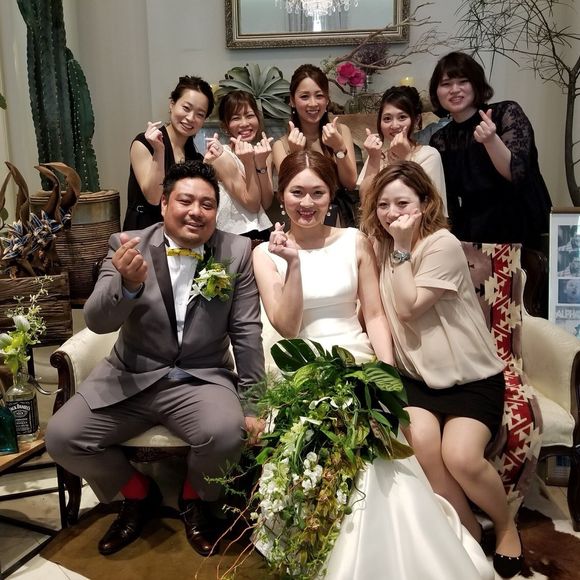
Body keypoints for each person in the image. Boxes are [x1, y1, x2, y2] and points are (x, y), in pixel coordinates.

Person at [253, 150, 493, 580]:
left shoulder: (354, 241)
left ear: (331, 195)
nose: (307, 203)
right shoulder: (264, 253)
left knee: (376, 448)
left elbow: (377, 315)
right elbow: (287, 326)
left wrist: (386, 377)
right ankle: (311, 542)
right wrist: (292, 263)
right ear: (281, 194)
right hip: (299, 368)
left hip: (357, 360)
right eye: (296, 193)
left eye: (317, 193)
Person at [46, 161, 265, 558]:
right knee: (62, 437)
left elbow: (246, 331)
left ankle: (193, 498)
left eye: (207, 204)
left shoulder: (236, 251)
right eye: (185, 200)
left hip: (200, 378)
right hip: (131, 375)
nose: (196, 211)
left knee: (227, 434)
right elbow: (97, 321)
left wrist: (254, 404)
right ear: (164, 203)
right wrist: (128, 284)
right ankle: (137, 494)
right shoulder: (125, 244)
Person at [360, 160, 523, 578]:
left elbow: (409, 307)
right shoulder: (377, 246)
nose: (392, 213)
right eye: (383, 205)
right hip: (417, 379)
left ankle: (505, 526)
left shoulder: (441, 245)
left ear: (425, 202)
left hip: (471, 379)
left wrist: (400, 246)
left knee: (461, 457)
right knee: (425, 451)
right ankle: (468, 531)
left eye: (403, 203)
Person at [429, 51, 552, 251]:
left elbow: (518, 174)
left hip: (520, 225)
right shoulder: (440, 139)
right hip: (473, 232)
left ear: (476, 84)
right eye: (446, 84)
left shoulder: (506, 112)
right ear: (436, 92)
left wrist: (491, 140)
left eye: (463, 81)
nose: (455, 90)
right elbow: (448, 198)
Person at [123, 75, 213, 231]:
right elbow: (154, 197)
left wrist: (208, 165)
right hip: (144, 233)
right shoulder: (144, 143)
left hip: (178, 234)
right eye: (186, 108)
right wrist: (159, 151)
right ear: (172, 104)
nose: (190, 118)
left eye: (200, 114)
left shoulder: (195, 157)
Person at [272, 64, 358, 226]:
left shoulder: (341, 131)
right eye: (304, 96)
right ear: (292, 101)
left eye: (319, 96)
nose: (313, 103)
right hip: (303, 220)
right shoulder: (281, 145)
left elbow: (350, 183)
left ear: (327, 99)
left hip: (337, 219)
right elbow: (289, 193)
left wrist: (339, 148)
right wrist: (296, 155)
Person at [358, 85, 447, 212]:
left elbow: (429, 207)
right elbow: (365, 204)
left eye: (402, 117)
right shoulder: (377, 154)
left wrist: (405, 159)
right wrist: (373, 159)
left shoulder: (429, 155)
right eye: (387, 119)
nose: (394, 125)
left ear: (416, 120)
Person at [203, 90, 273, 242]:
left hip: (261, 232)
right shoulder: (221, 155)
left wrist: (261, 163)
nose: (244, 123)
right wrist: (249, 162)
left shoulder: (262, 152)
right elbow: (252, 205)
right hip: (232, 236)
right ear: (225, 126)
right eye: (236, 118)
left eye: (249, 115)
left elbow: (266, 203)